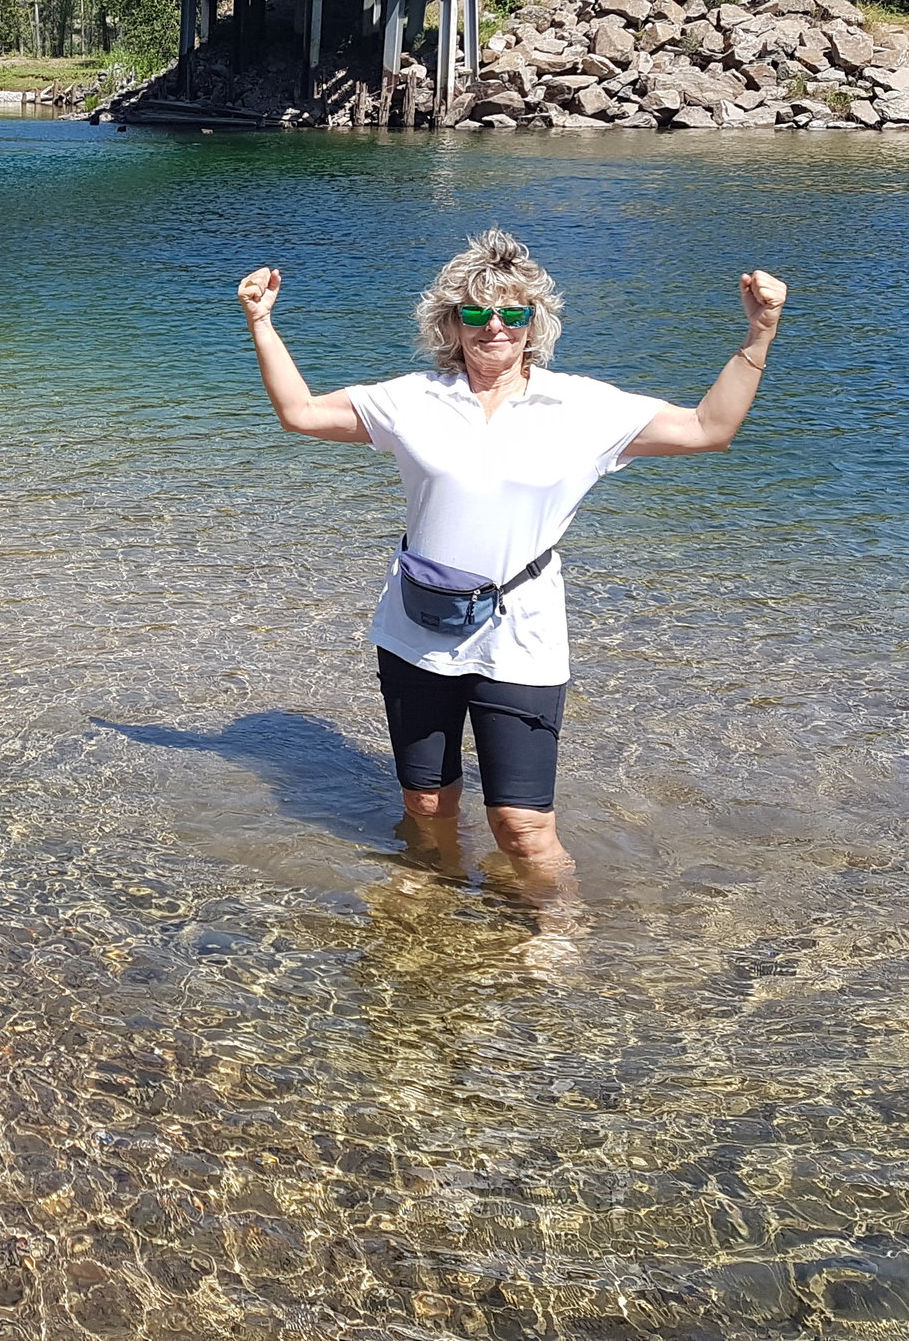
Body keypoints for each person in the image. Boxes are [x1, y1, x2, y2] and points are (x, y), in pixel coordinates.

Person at [236, 228, 787, 884]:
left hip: (521, 635)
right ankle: (440, 906)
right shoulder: (413, 399)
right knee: (426, 803)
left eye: (512, 312)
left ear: (535, 322)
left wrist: (760, 333)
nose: (493, 325)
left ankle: (557, 934)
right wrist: (262, 321)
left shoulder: (582, 408)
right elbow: (299, 412)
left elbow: (708, 429)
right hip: (415, 629)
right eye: (474, 311)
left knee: (524, 827)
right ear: (450, 322)